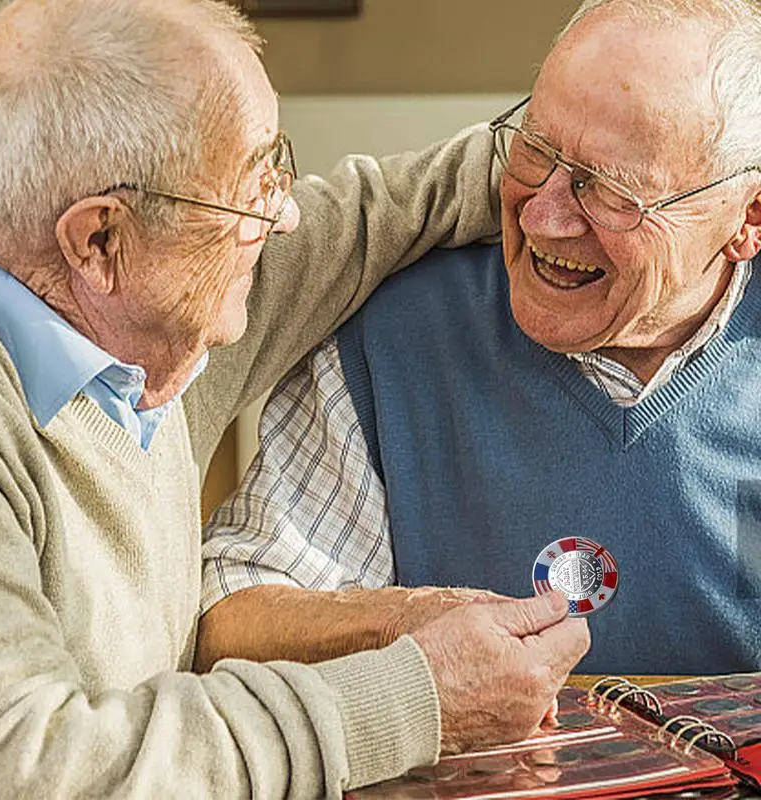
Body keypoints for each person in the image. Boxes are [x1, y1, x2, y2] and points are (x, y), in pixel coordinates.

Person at [0, 0, 590, 796]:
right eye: (254, 185)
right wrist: (414, 697)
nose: (283, 213)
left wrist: (593, 163)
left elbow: (376, 213)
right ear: (99, 240)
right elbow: (23, 767)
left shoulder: (145, 321)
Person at [199, 0, 761, 679]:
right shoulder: (392, 336)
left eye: (610, 192)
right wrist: (405, 633)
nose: (544, 217)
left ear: (746, 217)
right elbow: (233, 618)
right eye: (535, 151)